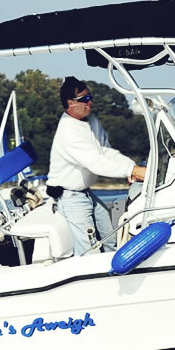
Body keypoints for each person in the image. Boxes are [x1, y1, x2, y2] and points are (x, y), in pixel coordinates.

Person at [46, 76, 146, 256]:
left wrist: (131, 168)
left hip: (86, 193)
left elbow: (105, 151)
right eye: (84, 99)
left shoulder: (90, 120)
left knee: (111, 239)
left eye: (90, 97)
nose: (90, 102)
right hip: (70, 197)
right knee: (88, 250)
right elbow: (96, 163)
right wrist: (132, 171)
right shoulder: (68, 132)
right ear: (70, 103)